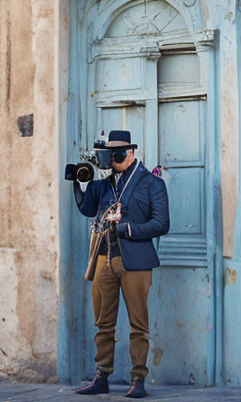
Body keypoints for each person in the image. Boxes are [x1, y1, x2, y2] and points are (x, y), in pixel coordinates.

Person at [72, 130, 169, 398]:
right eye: (111, 155)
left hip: (135, 261)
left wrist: (128, 229)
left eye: (119, 154)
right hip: (104, 257)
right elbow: (87, 209)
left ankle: (138, 379)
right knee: (103, 323)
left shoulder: (152, 184)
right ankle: (102, 375)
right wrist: (80, 183)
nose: (114, 160)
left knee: (139, 324)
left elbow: (162, 223)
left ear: (132, 152)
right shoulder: (105, 183)